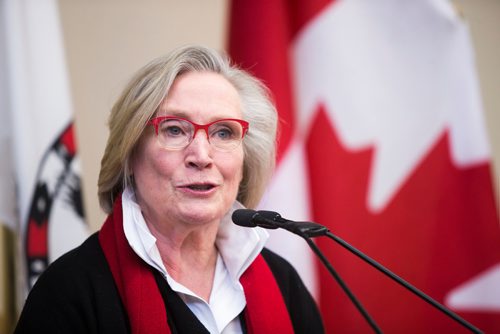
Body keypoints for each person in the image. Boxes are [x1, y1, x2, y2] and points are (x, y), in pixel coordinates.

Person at [14, 45, 324, 333]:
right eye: (174, 129)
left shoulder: (284, 284)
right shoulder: (69, 292)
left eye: (223, 132)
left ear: (245, 160)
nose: (201, 156)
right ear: (131, 154)